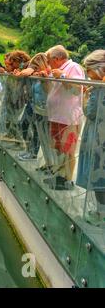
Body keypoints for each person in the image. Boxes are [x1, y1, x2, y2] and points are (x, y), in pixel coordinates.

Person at [44, 45, 85, 190]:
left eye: (49, 61)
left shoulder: (73, 67)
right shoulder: (60, 69)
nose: (48, 64)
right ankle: (60, 176)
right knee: (59, 147)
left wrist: (62, 76)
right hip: (58, 115)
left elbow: (77, 88)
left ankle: (68, 181)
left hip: (68, 117)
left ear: (57, 59)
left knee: (68, 149)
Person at [76, 50, 105, 222]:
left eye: (89, 70)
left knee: (98, 173)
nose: (88, 74)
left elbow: (90, 112)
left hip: (98, 135)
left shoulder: (98, 89)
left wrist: (85, 96)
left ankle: (101, 214)